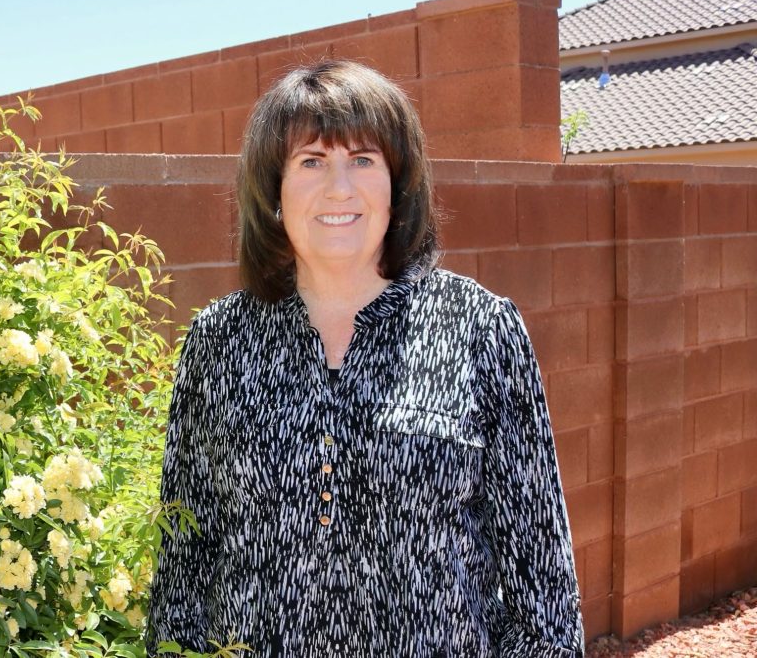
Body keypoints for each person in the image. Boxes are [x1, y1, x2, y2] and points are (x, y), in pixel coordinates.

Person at [146, 59, 584, 657]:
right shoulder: (218, 341)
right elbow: (183, 570)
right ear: (273, 187)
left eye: (362, 159)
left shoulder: (481, 328)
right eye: (311, 161)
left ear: (396, 183)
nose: (339, 188)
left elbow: (544, 593)